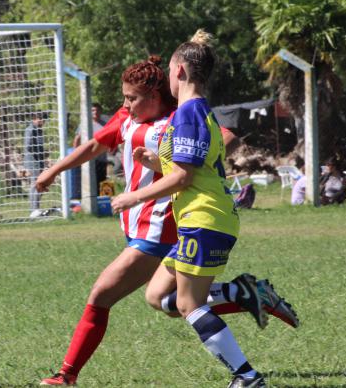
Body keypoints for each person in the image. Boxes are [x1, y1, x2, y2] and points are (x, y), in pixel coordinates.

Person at [36, 56, 297, 387]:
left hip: (161, 231)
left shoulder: (179, 115)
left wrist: (172, 168)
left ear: (155, 96)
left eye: (132, 98)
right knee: (165, 301)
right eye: (125, 98)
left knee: (102, 294)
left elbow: (224, 139)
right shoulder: (127, 116)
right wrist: (55, 170)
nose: (125, 104)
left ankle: (66, 375)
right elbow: (94, 145)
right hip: (140, 229)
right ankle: (244, 292)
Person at [113, 30, 271, 387]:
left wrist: (134, 197)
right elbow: (194, 167)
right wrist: (156, 161)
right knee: (157, 296)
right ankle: (241, 294)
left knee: (188, 305)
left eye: (169, 70)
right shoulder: (199, 113)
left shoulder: (187, 114)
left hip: (204, 218)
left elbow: (184, 177)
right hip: (205, 219)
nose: (168, 77)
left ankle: (246, 377)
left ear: (180, 70)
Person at [72, 103, 109, 184]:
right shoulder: (85, 124)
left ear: (100, 111)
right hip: (87, 158)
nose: (95, 112)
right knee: (89, 183)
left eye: (97, 110)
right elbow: (77, 139)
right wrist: (76, 154)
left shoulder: (105, 125)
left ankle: (101, 196)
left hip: (101, 159)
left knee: (101, 182)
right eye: (93, 110)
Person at [24, 112, 48, 217]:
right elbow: (28, 146)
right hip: (33, 161)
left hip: (39, 161)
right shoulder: (30, 129)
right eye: (39, 119)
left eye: (43, 119)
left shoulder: (39, 130)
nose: (42, 121)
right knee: (35, 184)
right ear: (34, 119)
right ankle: (33, 210)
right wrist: (38, 153)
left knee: (40, 184)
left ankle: (36, 208)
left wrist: (43, 152)